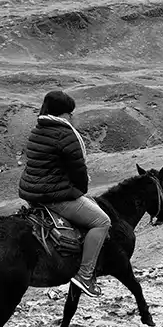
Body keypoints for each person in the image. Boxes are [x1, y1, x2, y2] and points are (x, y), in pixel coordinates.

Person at [18, 89, 109, 298]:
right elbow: (78, 170)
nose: (72, 117)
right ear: (63, 114)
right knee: (102, 221)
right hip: (55, 198)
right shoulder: (66, 135)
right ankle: (85, 275)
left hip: (33, 195)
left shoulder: (37, 130)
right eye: (70, 113)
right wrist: (79, 191)